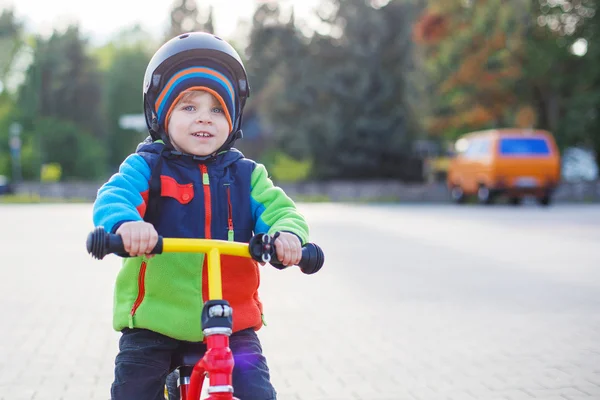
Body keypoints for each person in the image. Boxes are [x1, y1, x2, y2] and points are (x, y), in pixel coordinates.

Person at [92, 31, 309, 400]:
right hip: (156, 320)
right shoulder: (148, 165)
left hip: (231, 320)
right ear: (163, 115)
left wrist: (287, 236)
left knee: (258, 391)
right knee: (133, 388)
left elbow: (280, 210)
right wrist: (127, 226)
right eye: (189, 107)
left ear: (232, 119)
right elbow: (115, 196)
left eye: (216, 110)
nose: (204, 119)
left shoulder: (247, 175)